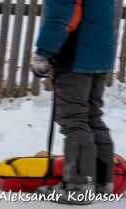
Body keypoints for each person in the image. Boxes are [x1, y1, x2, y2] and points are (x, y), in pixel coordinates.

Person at [31, 0, 115, 205]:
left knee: (74, 120)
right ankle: (102, 182)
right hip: (99, 56)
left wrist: (43, 54)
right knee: (92, 117)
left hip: (75, 57)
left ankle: (78, 186)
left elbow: (61, 17)